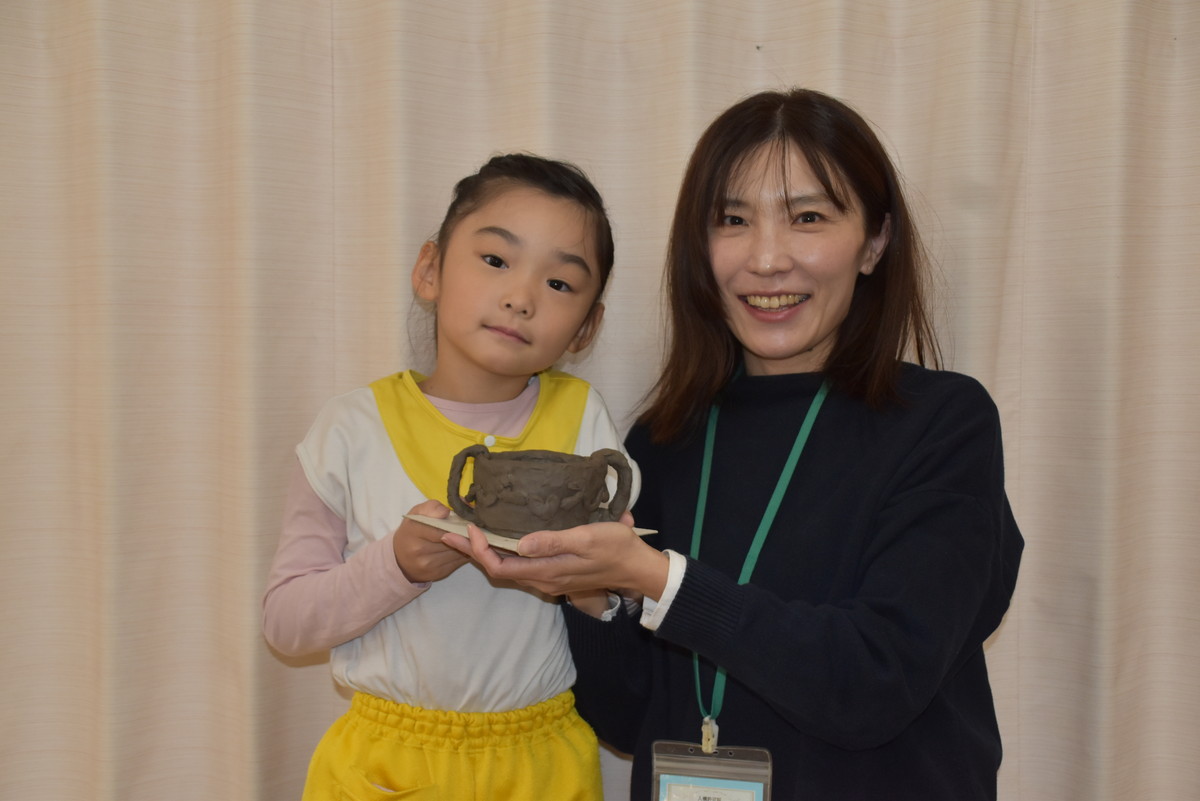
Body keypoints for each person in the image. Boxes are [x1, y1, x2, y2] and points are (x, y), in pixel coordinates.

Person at [447, 89, 1024, 800]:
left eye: (808, 217)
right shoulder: (663, 439)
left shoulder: (943, 423)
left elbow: (874, 682)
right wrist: (590, 592)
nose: (767, 259)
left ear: (874, 243)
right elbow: (627, 718)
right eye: (733, 220)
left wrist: (659, 579)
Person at [262, 153, 640, 801]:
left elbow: (623, 604)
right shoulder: (351, 429)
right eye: (495, 259)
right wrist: (397, 565)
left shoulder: (586, 423)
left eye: (559, 283)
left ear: (588, 326)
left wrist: (592, 587)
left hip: (541, 764)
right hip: (385, 763)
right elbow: (286, 624)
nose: (520, 297)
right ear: (430, 270)